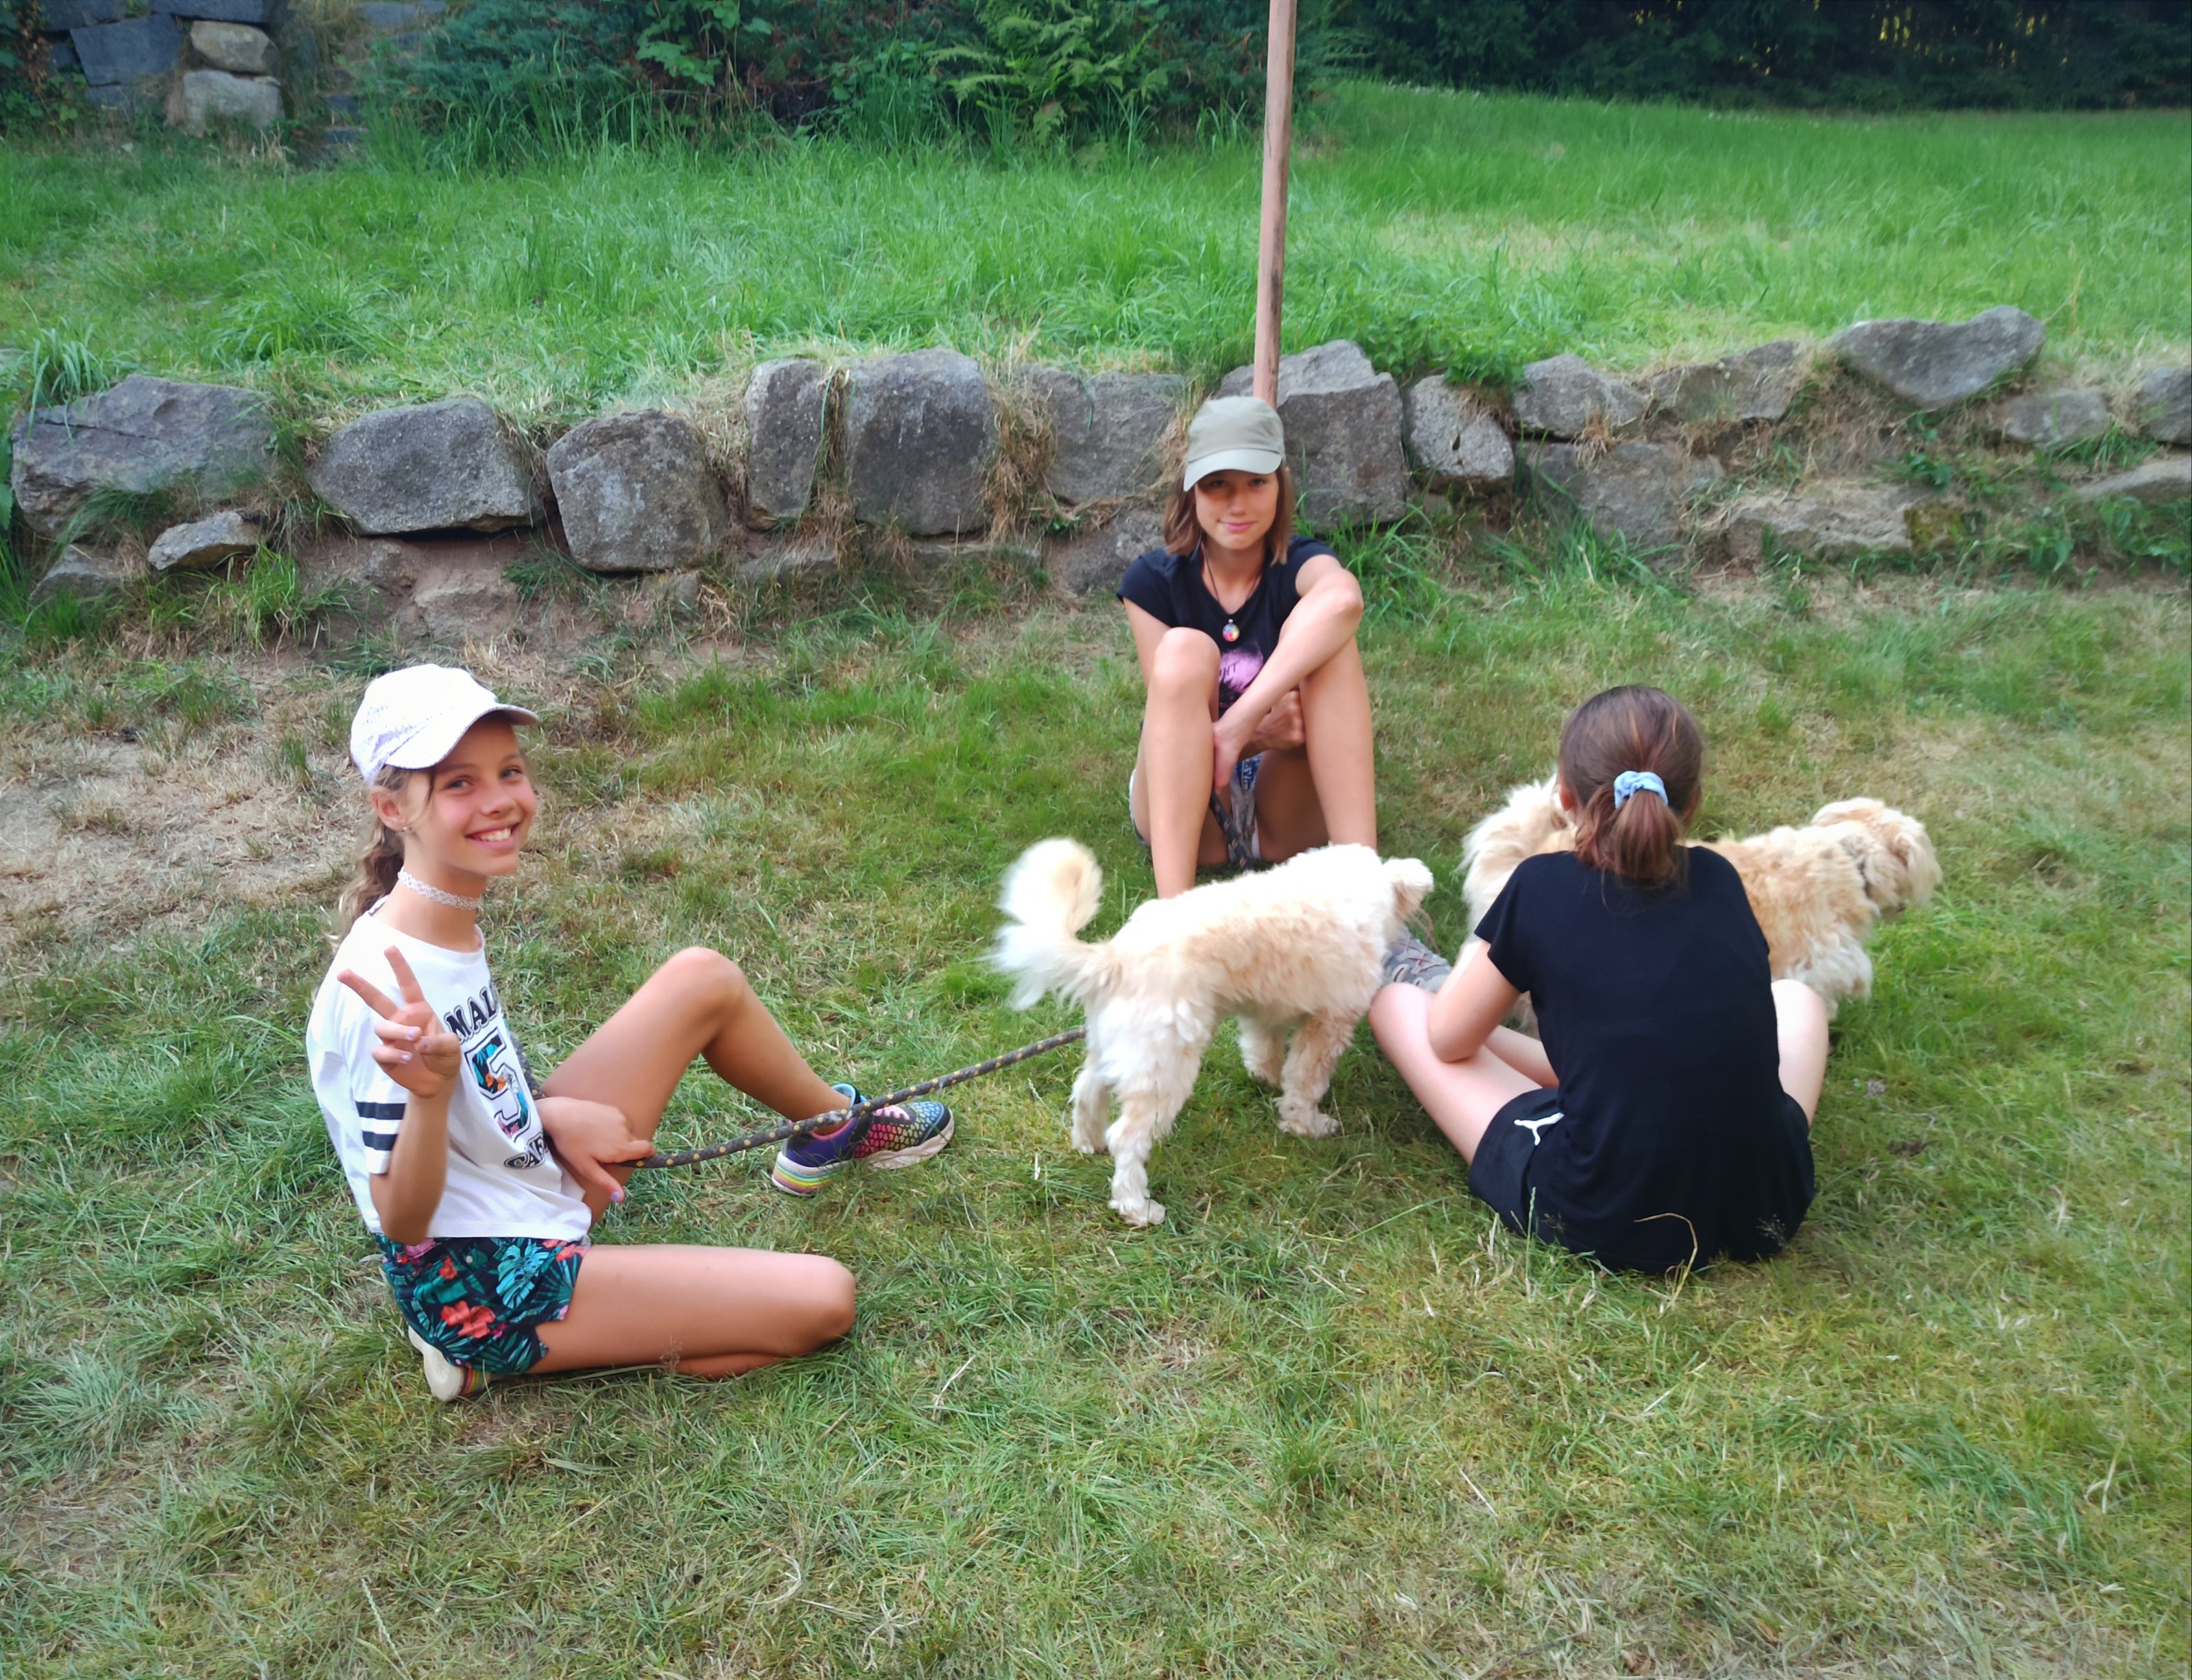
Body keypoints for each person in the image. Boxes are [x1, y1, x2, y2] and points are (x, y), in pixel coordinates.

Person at [306, 664, 954, 1401]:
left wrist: (545, 1112)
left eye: (509, 770)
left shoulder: (441, 920)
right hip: (479, 1279)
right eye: (459, 783)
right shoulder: (382, 989)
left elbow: (479, 1078)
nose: (501, 800)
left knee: (701, 978)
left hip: (523, 1180)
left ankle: (830, 1128)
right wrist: (428, 1097)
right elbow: (402, 1218)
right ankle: (490, 1354)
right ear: (392, 807)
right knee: (824, 1300)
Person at [1370, 686, 1828, 1272]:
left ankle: (1461, 997)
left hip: (1606, 1213)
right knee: (1797, 998)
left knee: (1400, 1006)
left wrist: (1491, 943)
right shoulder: (1720, 878)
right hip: (1765, 1201)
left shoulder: (1539, 885)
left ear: (1564, 796)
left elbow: (1447, 1039)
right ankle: (1617, 1087)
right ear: (1693, 802)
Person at [1117, 395, 1378, 898]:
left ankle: (1368, 894)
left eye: (1257, 482)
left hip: (1286, 808)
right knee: (1182, 652)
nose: (1238, 505)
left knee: (1332, 643)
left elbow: (1344, 599)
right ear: (1191, 488)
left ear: (1281, 484)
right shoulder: (1151, 584)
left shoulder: (1301, 563)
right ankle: (1175, 917)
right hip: (1193, 810)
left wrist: (1240, 720)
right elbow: (1173, 728)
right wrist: (1257, 733)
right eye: (1218, 484)